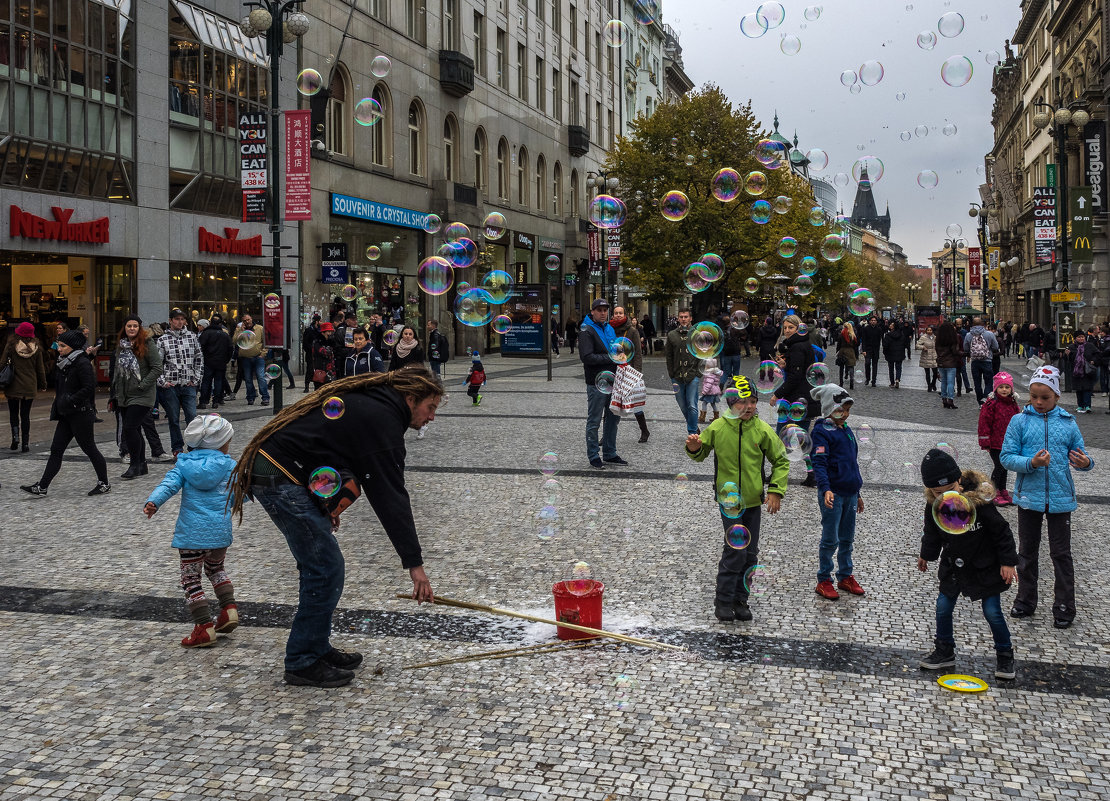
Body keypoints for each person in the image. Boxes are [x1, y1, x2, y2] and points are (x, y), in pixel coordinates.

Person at [227, 367, 440, 688]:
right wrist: (415, 565)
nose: (432, 417)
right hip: (280, 476)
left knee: (322, 566)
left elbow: (326, 444)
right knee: (324, 567)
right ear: (410, 398)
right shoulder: (384, 419)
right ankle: (302, 661)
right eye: (431, 408)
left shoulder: (377, 404)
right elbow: (390, 496)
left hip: (287, 471)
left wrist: (323, 503)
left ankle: (316, 646)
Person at [685, 375, 788, 623]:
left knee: (750, 554)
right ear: (731, 403)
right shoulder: (718, 428)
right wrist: (694, 446)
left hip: (753, 501)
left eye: (753, 400)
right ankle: (723, 600)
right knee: (735, 550)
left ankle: (741, 600)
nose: (749, 406)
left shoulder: (761, 429)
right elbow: (699, 455)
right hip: (729, 500)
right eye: (743, 401)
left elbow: (782, 460)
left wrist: (775, 490)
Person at [1001, 365, 1093, 629]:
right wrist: (1031, 462)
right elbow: (1007, 457)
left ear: (1057, 396)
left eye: (1045, 397)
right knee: (1027, 553)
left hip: (1061, 498)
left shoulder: (1068, 422)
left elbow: (1083, 457)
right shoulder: (1019, 421)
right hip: (1029, 497)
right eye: (1034, 397)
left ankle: (1064, 606)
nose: (1039, 402)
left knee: (1061, 554)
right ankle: (1025, 600)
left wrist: (1085, 462)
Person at [916, 448, 1018, 680]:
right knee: (943, 606)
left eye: (949, 489)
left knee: (992, 611)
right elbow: (931, 532)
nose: (943, 496)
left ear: (959, 481)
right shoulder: (935, 504)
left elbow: (1002, 532)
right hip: (953, 565)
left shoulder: (980, 503)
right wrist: (926, 554)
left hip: (985, 566)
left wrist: (1008, 562)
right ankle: (944, 651)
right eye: (936, 491)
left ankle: (1005, 655)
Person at [144, 414, 238, 648]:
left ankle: (204, 627)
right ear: (220, 444)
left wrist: (153, 502)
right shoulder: (230, 465)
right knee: (216, 569)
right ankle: (229, 610)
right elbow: (240, 492)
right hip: (219, 534)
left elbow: (168, 485)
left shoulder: (184, 464)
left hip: (192, 536)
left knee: (191, 578)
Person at [19, 330, 111, 497]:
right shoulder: (65, 362)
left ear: (73, 347)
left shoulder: (82, 363)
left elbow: (89, 388)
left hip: (80, 413)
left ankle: (104, 483)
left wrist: (71, 399)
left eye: (62, 346)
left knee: (89, 448)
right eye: (58, 345)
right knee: (56, 449)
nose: (58, 349)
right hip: (67, 414)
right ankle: (43, 486)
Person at [809, 383, 866, 600]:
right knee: (830, 539)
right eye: (840, 410)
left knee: (847, 538)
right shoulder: (822, 432)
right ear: (828, 409)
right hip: (832, 494)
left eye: (847, 410)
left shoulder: (847, 430)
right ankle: (824, 579)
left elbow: (852, 463)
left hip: (850, 493)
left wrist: (857, 493)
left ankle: (845, 576)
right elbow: (820, 463)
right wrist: (825, 489)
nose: (845, 414)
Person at [110, 316, 164, 480]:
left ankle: (134, 465)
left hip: (142, 394)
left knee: (129, 428)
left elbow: (157, 368)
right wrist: (114, 392)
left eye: (135, 326)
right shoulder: (122, 345)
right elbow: (118, 370)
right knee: (134, 429)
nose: (131, 329)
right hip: (124, 394)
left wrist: (142, 385)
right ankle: (141, 464)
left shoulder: (147, 343)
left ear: (139, 328)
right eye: (129, 326)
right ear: (124, 328)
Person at [773, 314, 818, 487]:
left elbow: (795, 377)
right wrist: (786, 364)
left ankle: (778, 473)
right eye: (785, 328)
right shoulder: (800, 344)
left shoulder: (798, 347)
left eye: (790, 328)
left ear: (798, 328)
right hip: (803, 399)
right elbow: (799, 371)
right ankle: (812, 473)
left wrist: (777, 394)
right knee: (802, 439)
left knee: (780, 436)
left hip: (797, 400)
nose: (787, 331)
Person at [580, 298, 625, 467]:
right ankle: (593, 455)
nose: (603, 313)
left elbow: (614, 350)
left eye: (605, 310)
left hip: (612, 380)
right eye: (599, 310)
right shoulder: (587, 330)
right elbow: (587, 357)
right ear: (592, 312)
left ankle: (609, 452)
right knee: (594, 420)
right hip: (596, 382)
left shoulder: (610, 329)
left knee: (613, 418)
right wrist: (611, 358)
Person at [157, 308, 203, 458]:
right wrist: (163, 381)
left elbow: (199, 358)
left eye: (182, 319)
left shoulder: (192, 336)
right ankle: (177, 447)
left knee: (192, 417)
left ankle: (193, 446)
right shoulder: (162, 339)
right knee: (173, 418)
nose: (179, 322)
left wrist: (196, 379)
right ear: (170, 321)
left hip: (188, 383)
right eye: (176, 319)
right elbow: (158, 363)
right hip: (171, 385)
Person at [2, 321, 47, 452]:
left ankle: (15, 437)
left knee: (13, 413)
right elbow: (40, 368)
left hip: (13, 385)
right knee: (25, 415)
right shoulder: (36, 348)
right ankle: (25, 444)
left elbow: (3, 362)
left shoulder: (11, 345)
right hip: (29, 385)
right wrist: (43, 383)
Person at [978, 372, 1020, 507]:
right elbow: (984, 423)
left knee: (1005, 467)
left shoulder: (1013, 404)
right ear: (996, 389)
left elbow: (1018, 421)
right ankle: (993, 492)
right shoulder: (991, 404)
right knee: (999, 466)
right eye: (1001, 387)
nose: (1004, 390)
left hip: (1008, 442)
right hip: (995, 442)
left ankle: (1002, 490)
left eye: (1007, 387)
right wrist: (985, 441)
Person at [610, 305, 649, 443]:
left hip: (628, 371)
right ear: (613, 315)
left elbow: (638, 353)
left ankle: (644, 430)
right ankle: (607, 435)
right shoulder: (609, 329)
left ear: (625, 314)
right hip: (613, 371)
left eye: (621, 313)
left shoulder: (632, 331)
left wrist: (636, 374)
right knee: (612, 404)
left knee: (635, 404)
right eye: (616, 313)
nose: (618, 315)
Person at [665, 309, 702, 436]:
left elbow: (702, 354)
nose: (683, 319)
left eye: (686, 317)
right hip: (677, 376)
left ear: (690, 318)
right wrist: (671, 373)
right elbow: (669, 356)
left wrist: (698, 373)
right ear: (678, 319)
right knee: (682, 405)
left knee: (692, 405)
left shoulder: (696, 334)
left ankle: (692, 432)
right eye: (681, 317)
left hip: (692, 376)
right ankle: (694, 425)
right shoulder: (671, 335)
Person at [232, 314, 269, 406]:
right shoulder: (240, 330)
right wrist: (240, 330)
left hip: (258, 357)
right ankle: (250, 397)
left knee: (261, 377)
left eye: (248, 319)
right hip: (245, 358)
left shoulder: (259, 328)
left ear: (251, 319)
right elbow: (234, 341)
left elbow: (266, 342)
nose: (247, 322)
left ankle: (265, 397)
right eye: (244, 320)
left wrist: (263, 354)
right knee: (248, 379)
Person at [198, 315, 233, 410]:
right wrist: (226, 360)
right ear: (220, 324)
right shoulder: (224, 335)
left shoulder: (206, 334)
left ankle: (203, 402)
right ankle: (216, 401)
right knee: (218, 381)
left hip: (208, 361)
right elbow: (230, 348)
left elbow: (200, 347)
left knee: (206, 382)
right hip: (221, 362)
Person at [963, 316, 999, 405]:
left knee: (977, 382)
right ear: (982, 324)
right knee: (988, 381)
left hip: (975, 361)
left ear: (972, 324)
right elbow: (996, 347)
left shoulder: (968, 335)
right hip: (987, 360)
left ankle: (980, 402)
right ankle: (986, 398)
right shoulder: (989, 334)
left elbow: (965, 348)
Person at [1068, 330, 1100, 413]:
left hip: (1087, 371)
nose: (1081, 338)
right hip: (1077, 371)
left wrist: (1093, 361)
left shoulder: (1090, 346)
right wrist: (1067, 355)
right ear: (1075, 338)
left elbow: (1097, 354)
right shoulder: (1072, 347)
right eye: (1079, 337)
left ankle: (1087, 406)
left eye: (1082, 337)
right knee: (1079, 389)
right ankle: (1080, 405)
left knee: (1087, 389)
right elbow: (1069, 359)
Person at [934, 321, 961, 409]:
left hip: (941, 362)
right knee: (950, 382)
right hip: (950, 363)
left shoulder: (938, 340)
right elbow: (955, 352)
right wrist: (965, 354)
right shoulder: (952, 340)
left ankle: (944, 399)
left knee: (943, 382)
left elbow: (937, 351)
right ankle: (950, 400)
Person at [310, 321, 337, 390]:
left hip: (330, 372)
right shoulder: (317, 342)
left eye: (331, 332)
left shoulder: (331, 342)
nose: (330, 334)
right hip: (320, 372)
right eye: (328, 332)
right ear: (323, 332)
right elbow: (324, 352)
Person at [858, 317, 884, 387]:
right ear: (869, 321)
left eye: (874, 320)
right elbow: (863, 340)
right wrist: (863, 350)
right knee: (867, 363)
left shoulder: (879, 329)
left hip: (875, 350)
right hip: (868, 349)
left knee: (875, 365)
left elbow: (880, 340)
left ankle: (874, 380)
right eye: (872, 320)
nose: (873, 321)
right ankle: (867, 378)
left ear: (876, 321)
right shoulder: (866, 329)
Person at [882, 320, 907, 388]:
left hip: (890, 353)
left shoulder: (888, 335)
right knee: (898, 367)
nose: (889, 326)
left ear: (894, 326)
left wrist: (885, 352)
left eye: (891, 325)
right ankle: (897, 379)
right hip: (899, 353)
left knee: (891, 368)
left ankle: (892, 383)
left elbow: (885, 345)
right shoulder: (901, 334)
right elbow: (905, 344)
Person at [698, 358, 723, 423]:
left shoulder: (710, 374)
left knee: (704, 403)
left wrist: (704, 391)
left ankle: (702, 417)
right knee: (713, 404)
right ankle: (716, 417)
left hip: (710, 392)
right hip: (714, 391)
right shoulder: (715, 372)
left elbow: (708, 384)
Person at [301, 314, 321, 392]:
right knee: (309, 370)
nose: (321, 322)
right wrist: (311, 349)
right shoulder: (309, 330)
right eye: (320, 321)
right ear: (317, 321)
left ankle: (317, 386)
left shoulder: (319, 330)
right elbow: (305, 343)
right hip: (310, 354)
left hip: (317, 354)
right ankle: (307, 386)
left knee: (318, 370)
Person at [835, 322, 858, 389]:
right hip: (850, 351)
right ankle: (851, 382)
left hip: (842, 351)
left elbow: (838, 344)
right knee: (851, 367)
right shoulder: (853, 335)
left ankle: (841, 383)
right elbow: (856, 345)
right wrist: (856, 354)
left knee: (841, 368)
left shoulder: (841, 334)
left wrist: (837, 351)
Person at [917, 325, 939, 392]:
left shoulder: (935, 337)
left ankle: (933, 383)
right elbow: (917, 345)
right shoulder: (923, 337)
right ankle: (929, 386)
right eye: (928, 330)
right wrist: (923, 347)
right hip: (926, 356)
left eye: (930, 330)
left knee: (935, 373)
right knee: (927, 373)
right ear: (926, 331)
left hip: (934, 356)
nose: (929, 331)